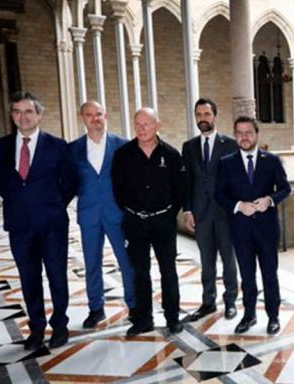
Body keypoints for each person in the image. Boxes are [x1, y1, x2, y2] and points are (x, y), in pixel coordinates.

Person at [0, 92, 77, 350]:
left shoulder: (58, 146)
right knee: (29, 278)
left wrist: (52, 204)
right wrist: (21, 202)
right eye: (17, 111)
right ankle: (37, 329)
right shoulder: (1, 146)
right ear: (12, 116)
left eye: (28, 112)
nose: (23, 117)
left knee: (56, 276)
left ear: (39, 115)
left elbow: (70, 182)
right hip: (19, 225)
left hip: (52, 224)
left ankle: (60, 325)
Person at [112, 107, 187, 336]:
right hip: (135, 223)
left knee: (168, 271)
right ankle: (144, 319)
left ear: (157, 125)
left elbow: (180, 190)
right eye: (138, 124)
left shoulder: (172, 155)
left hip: (163, 223)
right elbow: (118, 190)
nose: (141, 129)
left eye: (146, 124)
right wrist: (133, 211)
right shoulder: (123, 154)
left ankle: (172, 317)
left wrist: (166, 213)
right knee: (140, 272)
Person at [215, 116, 291, 335]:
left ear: (257, 134)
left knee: (269, 274)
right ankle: (249, 316)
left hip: (267, 229)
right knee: (247, 275)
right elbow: (220, 194)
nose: (244, 137)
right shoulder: (226, 163)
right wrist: (239, 205)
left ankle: (273, 317)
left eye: (248, 132)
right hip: (240, 229)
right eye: (239, 132)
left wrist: (270, 200)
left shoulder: (272, 160)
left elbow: (285, 188)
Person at [69, 100, 135, 329]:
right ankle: (96, 308)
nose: (95, 119)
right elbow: (69, 182)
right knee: (92, 263)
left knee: (126, 262)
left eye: (99, 114)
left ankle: (134, 306)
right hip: (89, 215)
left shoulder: (122, 145)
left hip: (116, 213)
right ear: (82, 117)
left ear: (105, 115)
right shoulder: (74, 148)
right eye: (89, 115)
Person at [182, 98, 240, 322]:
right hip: (201, 214)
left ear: (215, 116)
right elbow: (187, 182)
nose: (203, 119)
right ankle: (208, 302)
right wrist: (188, 211)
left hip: (226, 214)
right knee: (206, 262)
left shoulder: (231, 145)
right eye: (199, 115)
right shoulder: (189, 147)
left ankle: (231, 301)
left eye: (207, 114)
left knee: (228, 260)